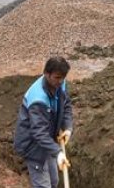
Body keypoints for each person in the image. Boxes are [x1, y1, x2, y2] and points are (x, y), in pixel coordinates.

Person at [13, 57, 73, 188]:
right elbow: (38, 133)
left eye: (63, 77)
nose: (61, 81)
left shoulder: (60, 84)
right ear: (46, 74)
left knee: (53, 182)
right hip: (33, 145)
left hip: (48, 141)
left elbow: (66, 105)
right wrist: (58, 152)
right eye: (57, 77)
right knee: (43, 186)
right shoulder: (38, 100)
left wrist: (67, 127)